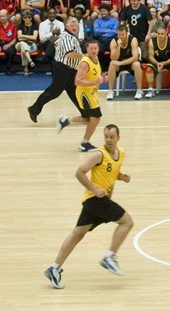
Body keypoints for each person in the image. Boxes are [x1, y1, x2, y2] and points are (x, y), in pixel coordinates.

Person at [44, 123, 133, 288]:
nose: (108, 140)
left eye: (112, 137)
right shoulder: (98, 154)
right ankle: (110, 257)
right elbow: (79, 172)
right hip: (96, 199)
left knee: (77, 234)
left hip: (93, 202)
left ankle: (54, 268)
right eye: (106, 137)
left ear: (118, 138)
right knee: (127, 222)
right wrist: (94, 189)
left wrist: (122, 177)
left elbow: (112, 172)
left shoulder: (121, 153)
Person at [56, 38, 110, 152]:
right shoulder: (85, 63)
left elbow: (93, 74)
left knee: (89, 119)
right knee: (95, 119)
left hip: (92, 92)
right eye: (91, 48)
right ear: (87, 49)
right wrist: (94, 82)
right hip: (85, 93)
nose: (94, 50)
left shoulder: (96, 58)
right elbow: (77, 81)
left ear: (98, 49)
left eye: (95, 48)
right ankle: (84, 144)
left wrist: (102, 78)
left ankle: (66, 120)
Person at [27, 16, 83, 122]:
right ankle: (34, 109)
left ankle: (85, 113)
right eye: (72, 25)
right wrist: (84, 57)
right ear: (66, 26)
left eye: (76, 25)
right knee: (54, 92)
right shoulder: (67, 37)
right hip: (63, 69)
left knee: (74, 92)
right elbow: (70, 54)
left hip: (70, 69)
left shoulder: (70, 36)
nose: (74, 27)